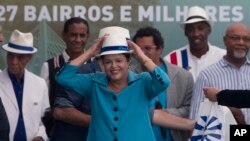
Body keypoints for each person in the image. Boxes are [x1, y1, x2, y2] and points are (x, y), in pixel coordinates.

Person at [55, 33, 171, 141]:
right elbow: (63, 78)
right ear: (102, 64)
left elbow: (164, 82)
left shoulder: (142, 81)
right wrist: (89, 52)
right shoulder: (94, 82)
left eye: (119, 60)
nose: (114, 66)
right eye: (108, 62)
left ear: (128, 61)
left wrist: (141, 57)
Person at [132, 26, 194, 141]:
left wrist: (161, 114)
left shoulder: (183, 76)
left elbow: (189, 109)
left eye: (147, 48)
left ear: (160, 49)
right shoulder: (128, 76)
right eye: (139, 50)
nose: (142, 53)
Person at [39, 17, 94, 140]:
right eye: (73, 35)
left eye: (82, 35)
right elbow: (42, 107)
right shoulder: (49, 66)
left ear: (88, 36)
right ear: (64, 35)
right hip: (59, 135)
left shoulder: (97, 66)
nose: (78, 40)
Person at [189, 23, 250, 124]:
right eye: (235, 38)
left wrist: (219, 96)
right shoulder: (207, 75)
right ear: (225, 40)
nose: (241, 42)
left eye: (246, 39)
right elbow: (196, 122)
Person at [0, 29, 49, 141]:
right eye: (10, 55)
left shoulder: (40, 84)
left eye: (20, 57)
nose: (14, 61)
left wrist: (40, 137)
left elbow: (42, 121)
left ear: (29, 58)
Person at [164, 6, 226, 81]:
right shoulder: (172, 59)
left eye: (200, 28)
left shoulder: (222, 57)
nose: (196, 34)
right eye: (191, 29)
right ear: (185, 32)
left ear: (209, 30)